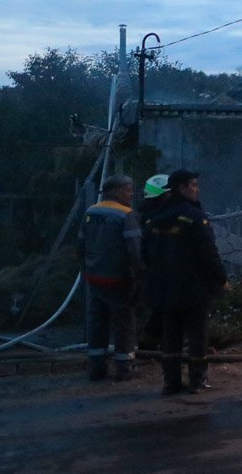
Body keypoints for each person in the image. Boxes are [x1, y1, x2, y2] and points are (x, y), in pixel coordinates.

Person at [142, 169, 229, 395]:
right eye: (193, 185)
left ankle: (171, 383)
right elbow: (208, 252)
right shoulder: (194, 216)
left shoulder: (154, 219)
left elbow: (145, 255)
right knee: (197, 335)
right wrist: (221, 278)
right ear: (181, 188)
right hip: (193, 288)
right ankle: (197, 381)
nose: (197, 189)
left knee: (170, 336)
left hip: (165, 288)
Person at [78, 174, 141, 382]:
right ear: (115, 191)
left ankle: (96, 368)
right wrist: (140, 276)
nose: (132, 193)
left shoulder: (91, 211)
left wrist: (86, 269)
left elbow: (80, 245)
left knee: (97, 322)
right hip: (119, 279)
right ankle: (125, 367)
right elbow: (135, 251)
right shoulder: (125, 215)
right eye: (128, 189)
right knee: (124, 323)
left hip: (94, 278)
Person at [135, 173, 171, 350]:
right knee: (162, 309)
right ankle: (150, 345)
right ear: (165, 194)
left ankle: (149, 344)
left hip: (151, 271)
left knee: (158, 308)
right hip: (161, 271)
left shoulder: (146, 215)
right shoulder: (160, 217)